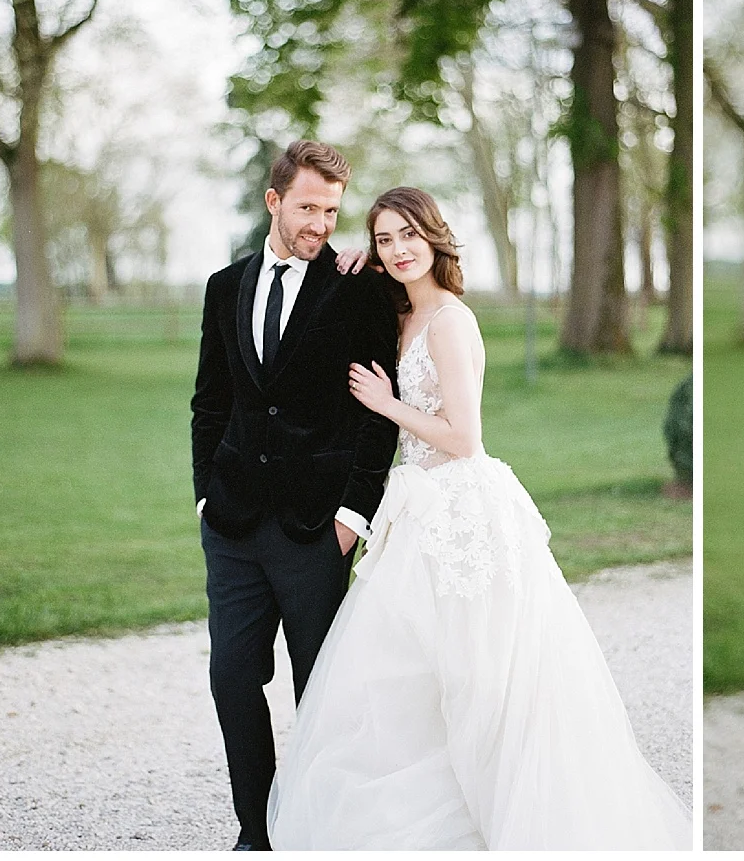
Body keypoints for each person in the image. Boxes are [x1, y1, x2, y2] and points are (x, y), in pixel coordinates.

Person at [266, 187, 692, 850]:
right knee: (404, 678)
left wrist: (386, 402)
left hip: (463, 513)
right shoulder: (400, 311)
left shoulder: (450, 322)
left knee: (483, 679)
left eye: (409, 234)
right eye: (384, 239)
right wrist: (344, 262)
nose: (399, 249)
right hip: (415, 511)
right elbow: (330, 296)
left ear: (435, 236)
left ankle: (510, 816)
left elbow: (463, 435)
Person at [190, 140, 400, 851]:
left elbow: (380, 411)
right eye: (308, 206)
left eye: (332, 210)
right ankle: (256, 831)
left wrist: (352, 514)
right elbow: (209, 403)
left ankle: (325, 830)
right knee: (230, 680)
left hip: (318, 530)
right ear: (274, 201)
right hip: (234, 525)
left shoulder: (357, 286)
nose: (320, 223)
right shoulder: (224, 287)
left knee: (325, 691)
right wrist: (202, 501)